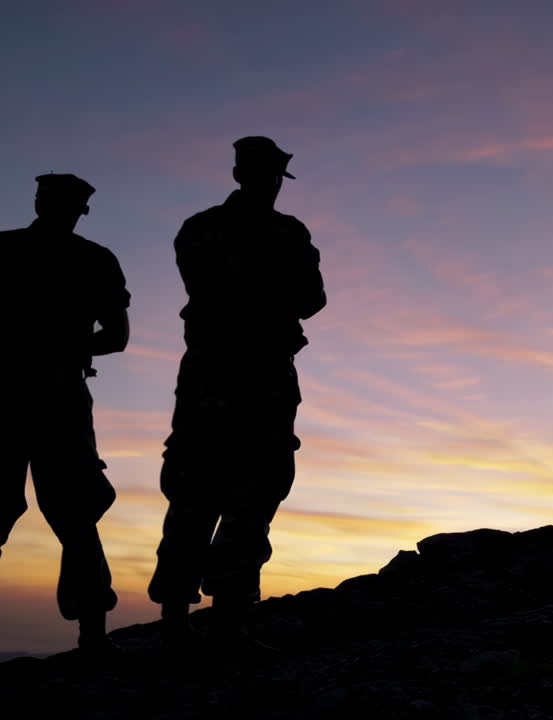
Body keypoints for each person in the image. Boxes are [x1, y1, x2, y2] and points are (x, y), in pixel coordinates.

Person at [0, 173, 131, 676]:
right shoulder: (93, 259)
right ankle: (90, 639)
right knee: (66, 518)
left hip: (11, 393)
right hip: (49, 396)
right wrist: (51, 348)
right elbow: (116, 337)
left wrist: (8, 343)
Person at [148, 137, 326, 650]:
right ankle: (221, 615)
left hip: (217, 372)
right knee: (242, 487)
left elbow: (203, 285)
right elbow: (311, 300)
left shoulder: (200, 229)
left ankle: (187, 617)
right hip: (256, 374)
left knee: (207, 488)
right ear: (261, 176)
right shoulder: (285, 234)